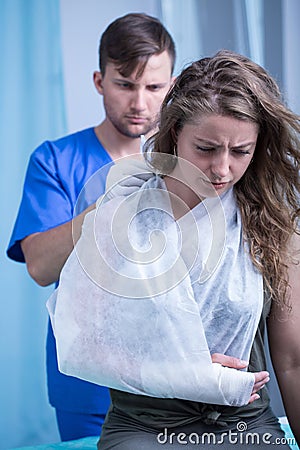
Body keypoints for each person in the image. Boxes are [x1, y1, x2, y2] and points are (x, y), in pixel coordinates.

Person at [49, 50, 300, 449]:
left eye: (241, 152)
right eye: (205, 148)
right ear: (175, 133)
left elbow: (291, 360)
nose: (222, 169)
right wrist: (182, 367)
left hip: (244, 420)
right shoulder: (121, 218)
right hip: (145, 424)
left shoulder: (271, 227)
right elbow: (84, 343)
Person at [6, 13, 176, 441]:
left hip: (175, 372)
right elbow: (40, 267)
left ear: (170, 87)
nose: (140, 103)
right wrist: (106, 208)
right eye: (124, 84)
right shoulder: (55, 160)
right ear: (100, 81)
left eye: (154, 87)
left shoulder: (190, 164)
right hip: (87, 383)